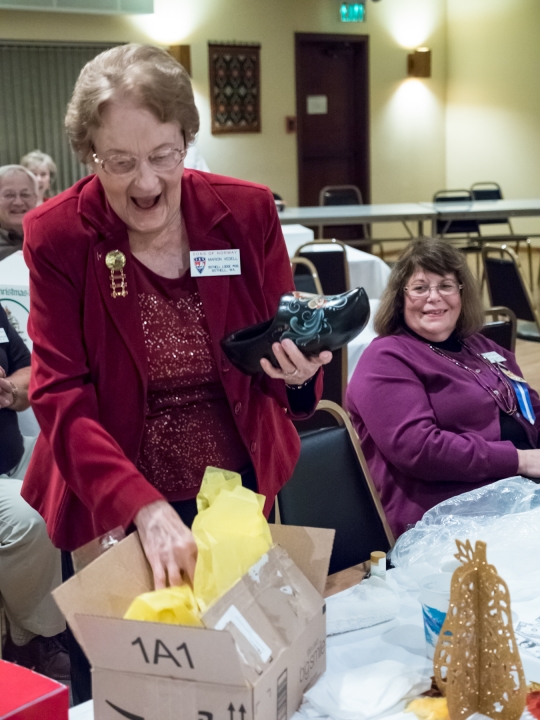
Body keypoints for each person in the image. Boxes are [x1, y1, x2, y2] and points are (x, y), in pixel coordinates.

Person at [21, 44, 329, 701]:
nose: (146, 184)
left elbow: (277, 354)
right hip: (111, 502)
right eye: (120, 162)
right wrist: (144, 507)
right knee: (136, 692)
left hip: (236, 493)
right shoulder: (59, 237)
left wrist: (299, 375)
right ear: (88, 155)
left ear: (187, 139)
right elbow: (59, 392)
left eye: (163, 155)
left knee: (243, 681)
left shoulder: (243, 215)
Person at [346, 238, 540, 538]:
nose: (434, 298)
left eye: (446, 286)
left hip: (518, 494)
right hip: (450, 518)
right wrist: (520, 460)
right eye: (420, 288)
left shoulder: (481, 345)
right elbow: (420, 449)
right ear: (401, 297)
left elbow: (530, 407)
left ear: (462, 293)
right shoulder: (386, 358)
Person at [0, 305, 68, 680]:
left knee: (80, 468)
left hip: (14, 455)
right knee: (32, 517)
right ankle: (33, 639)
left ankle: (85, 614)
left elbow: (30, 373)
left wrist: (10, 390)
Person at [0, 165, 38, 261]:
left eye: (25, 195)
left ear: (36, 199)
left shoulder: (49, 239)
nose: (18, 202)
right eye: (9, 195)